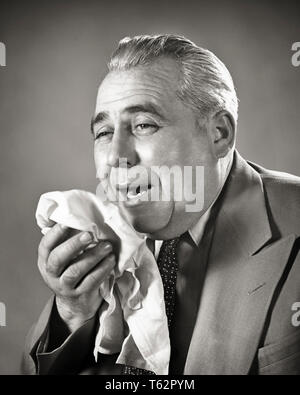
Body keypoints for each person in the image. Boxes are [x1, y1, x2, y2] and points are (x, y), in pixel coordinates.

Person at [22, 34, 300, 375]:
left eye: (143, 125)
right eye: (104, 132)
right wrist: (73, 310)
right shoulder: (100, 237)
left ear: (220, 134)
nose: (115, 158)